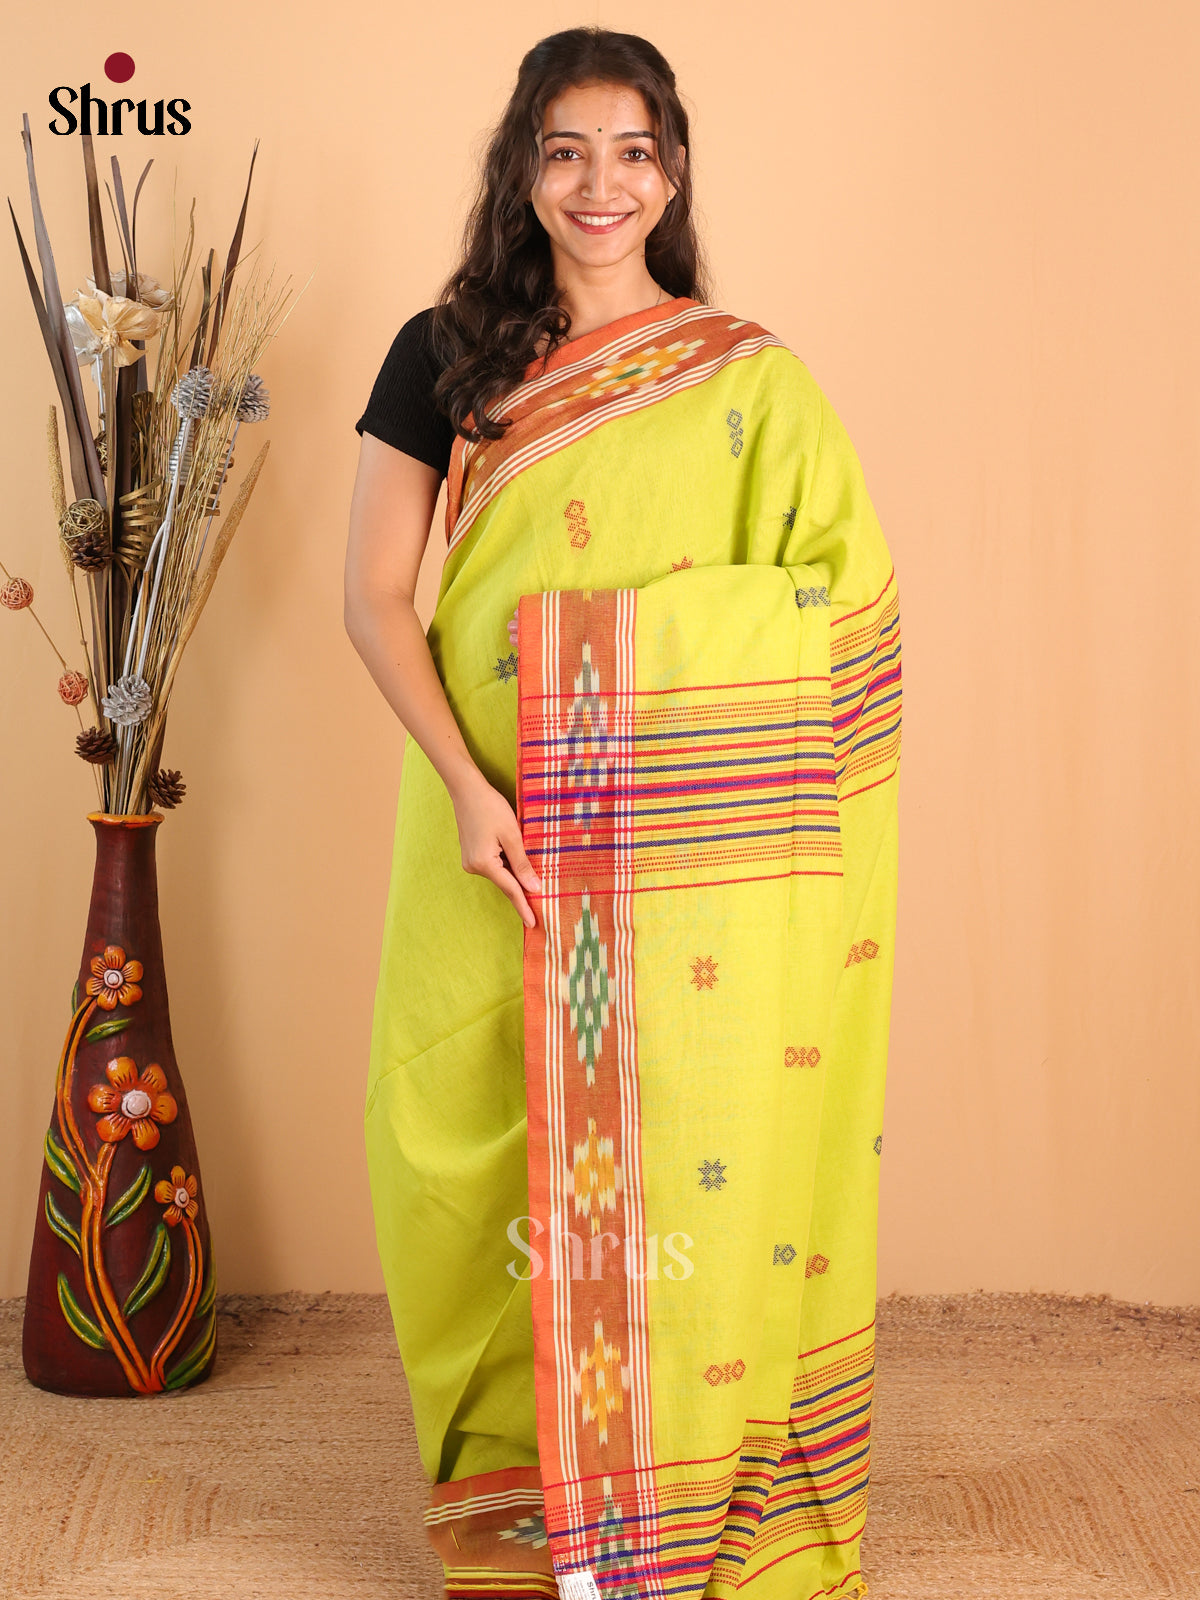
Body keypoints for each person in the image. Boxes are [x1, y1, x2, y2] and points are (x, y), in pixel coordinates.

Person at [345, 26, 901, 1600]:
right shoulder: (444, 352)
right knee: (462, 1158)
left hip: (693, 868)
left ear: (673, 173)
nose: (602, 185)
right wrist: (468, 788)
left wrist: (635, 681)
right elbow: (375, 599)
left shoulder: (749, 381)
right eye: (568, 151)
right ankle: (528, 1530)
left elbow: (848, 617)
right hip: (487, 821)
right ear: (524, 168)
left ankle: (681, 1504)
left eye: (634, 152)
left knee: (685, 1150)